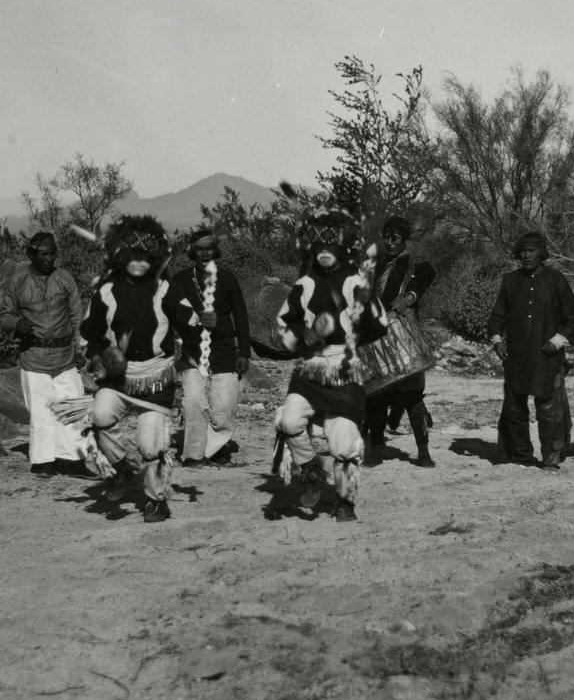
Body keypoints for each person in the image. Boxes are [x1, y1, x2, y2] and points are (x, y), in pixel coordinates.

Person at [271, 207, 388, 522]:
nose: (324, 252)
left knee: (342, 443)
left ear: (343, 247)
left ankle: (345, 501)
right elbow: (283, 323)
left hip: (345, 367)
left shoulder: (354, 282)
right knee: (290, 421)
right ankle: (309, 470)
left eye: (331, 245)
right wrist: (301, 333)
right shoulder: (304, 284)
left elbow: (381, 323)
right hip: (310, 368)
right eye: (318, 246)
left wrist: (350, 324)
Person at [79, 215, 179, 522]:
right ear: (122, 256)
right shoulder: (106, 292)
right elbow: (91, 334)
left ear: (154, 258)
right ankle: (121, 468)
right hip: (118, 378)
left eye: (145, 256)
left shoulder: (166, 290)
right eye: (131, 255)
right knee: (100, 415)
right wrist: (100, 358)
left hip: (156, 377)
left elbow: (189, 329)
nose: (138, 261)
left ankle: (156, 499)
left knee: (151, 446)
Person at [486, 230, 574, 471]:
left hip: (547, 355)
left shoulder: (555, 280)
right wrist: (497, 341)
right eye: (523, 252)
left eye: (532, 251)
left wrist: (559, 340)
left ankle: (551, 459)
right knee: (514, 407)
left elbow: (573, 318)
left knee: (549, 409)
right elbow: (497, 316)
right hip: (517, 356)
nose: (527, 255)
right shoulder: (510, 281)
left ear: (542, 254)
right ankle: (518, 455)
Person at [0, 232, 87, 478]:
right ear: (31, 254)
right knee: (41, 411)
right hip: (34, 356)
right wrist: (17, 324)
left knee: (73, 407)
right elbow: (4, 316)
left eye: (53, 254)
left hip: (65, 356)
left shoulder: (64, 278)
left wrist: (80, 347)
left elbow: (77, 315)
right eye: (44, 254)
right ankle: (44, 461)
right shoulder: (17, 281)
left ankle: (74, 460)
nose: (49, 259)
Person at [168, 227, 251, 467]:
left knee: (224, 407)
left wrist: (244, 352)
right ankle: (193, 455)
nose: (204, 253)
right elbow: (170, 312)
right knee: (193, 402)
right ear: (192, 252)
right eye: (199, 249)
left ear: (216, 251)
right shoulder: (182, 279)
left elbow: (241, 317)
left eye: (209, 248)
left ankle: (214, 450)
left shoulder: (228, 278)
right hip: (193, 352)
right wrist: (192, 321)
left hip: (224, 350)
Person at [364, 215, 438, 467]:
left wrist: (408, 297)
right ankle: (375, 447)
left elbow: (426, 275)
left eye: (395, 237)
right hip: (376, 337)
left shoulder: (414, 263)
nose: (390, 241)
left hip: (403, 336)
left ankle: (424, 453)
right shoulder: (378, 264)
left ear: (404, 239)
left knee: (412, 397)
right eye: (386, 237)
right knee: (376, 395)